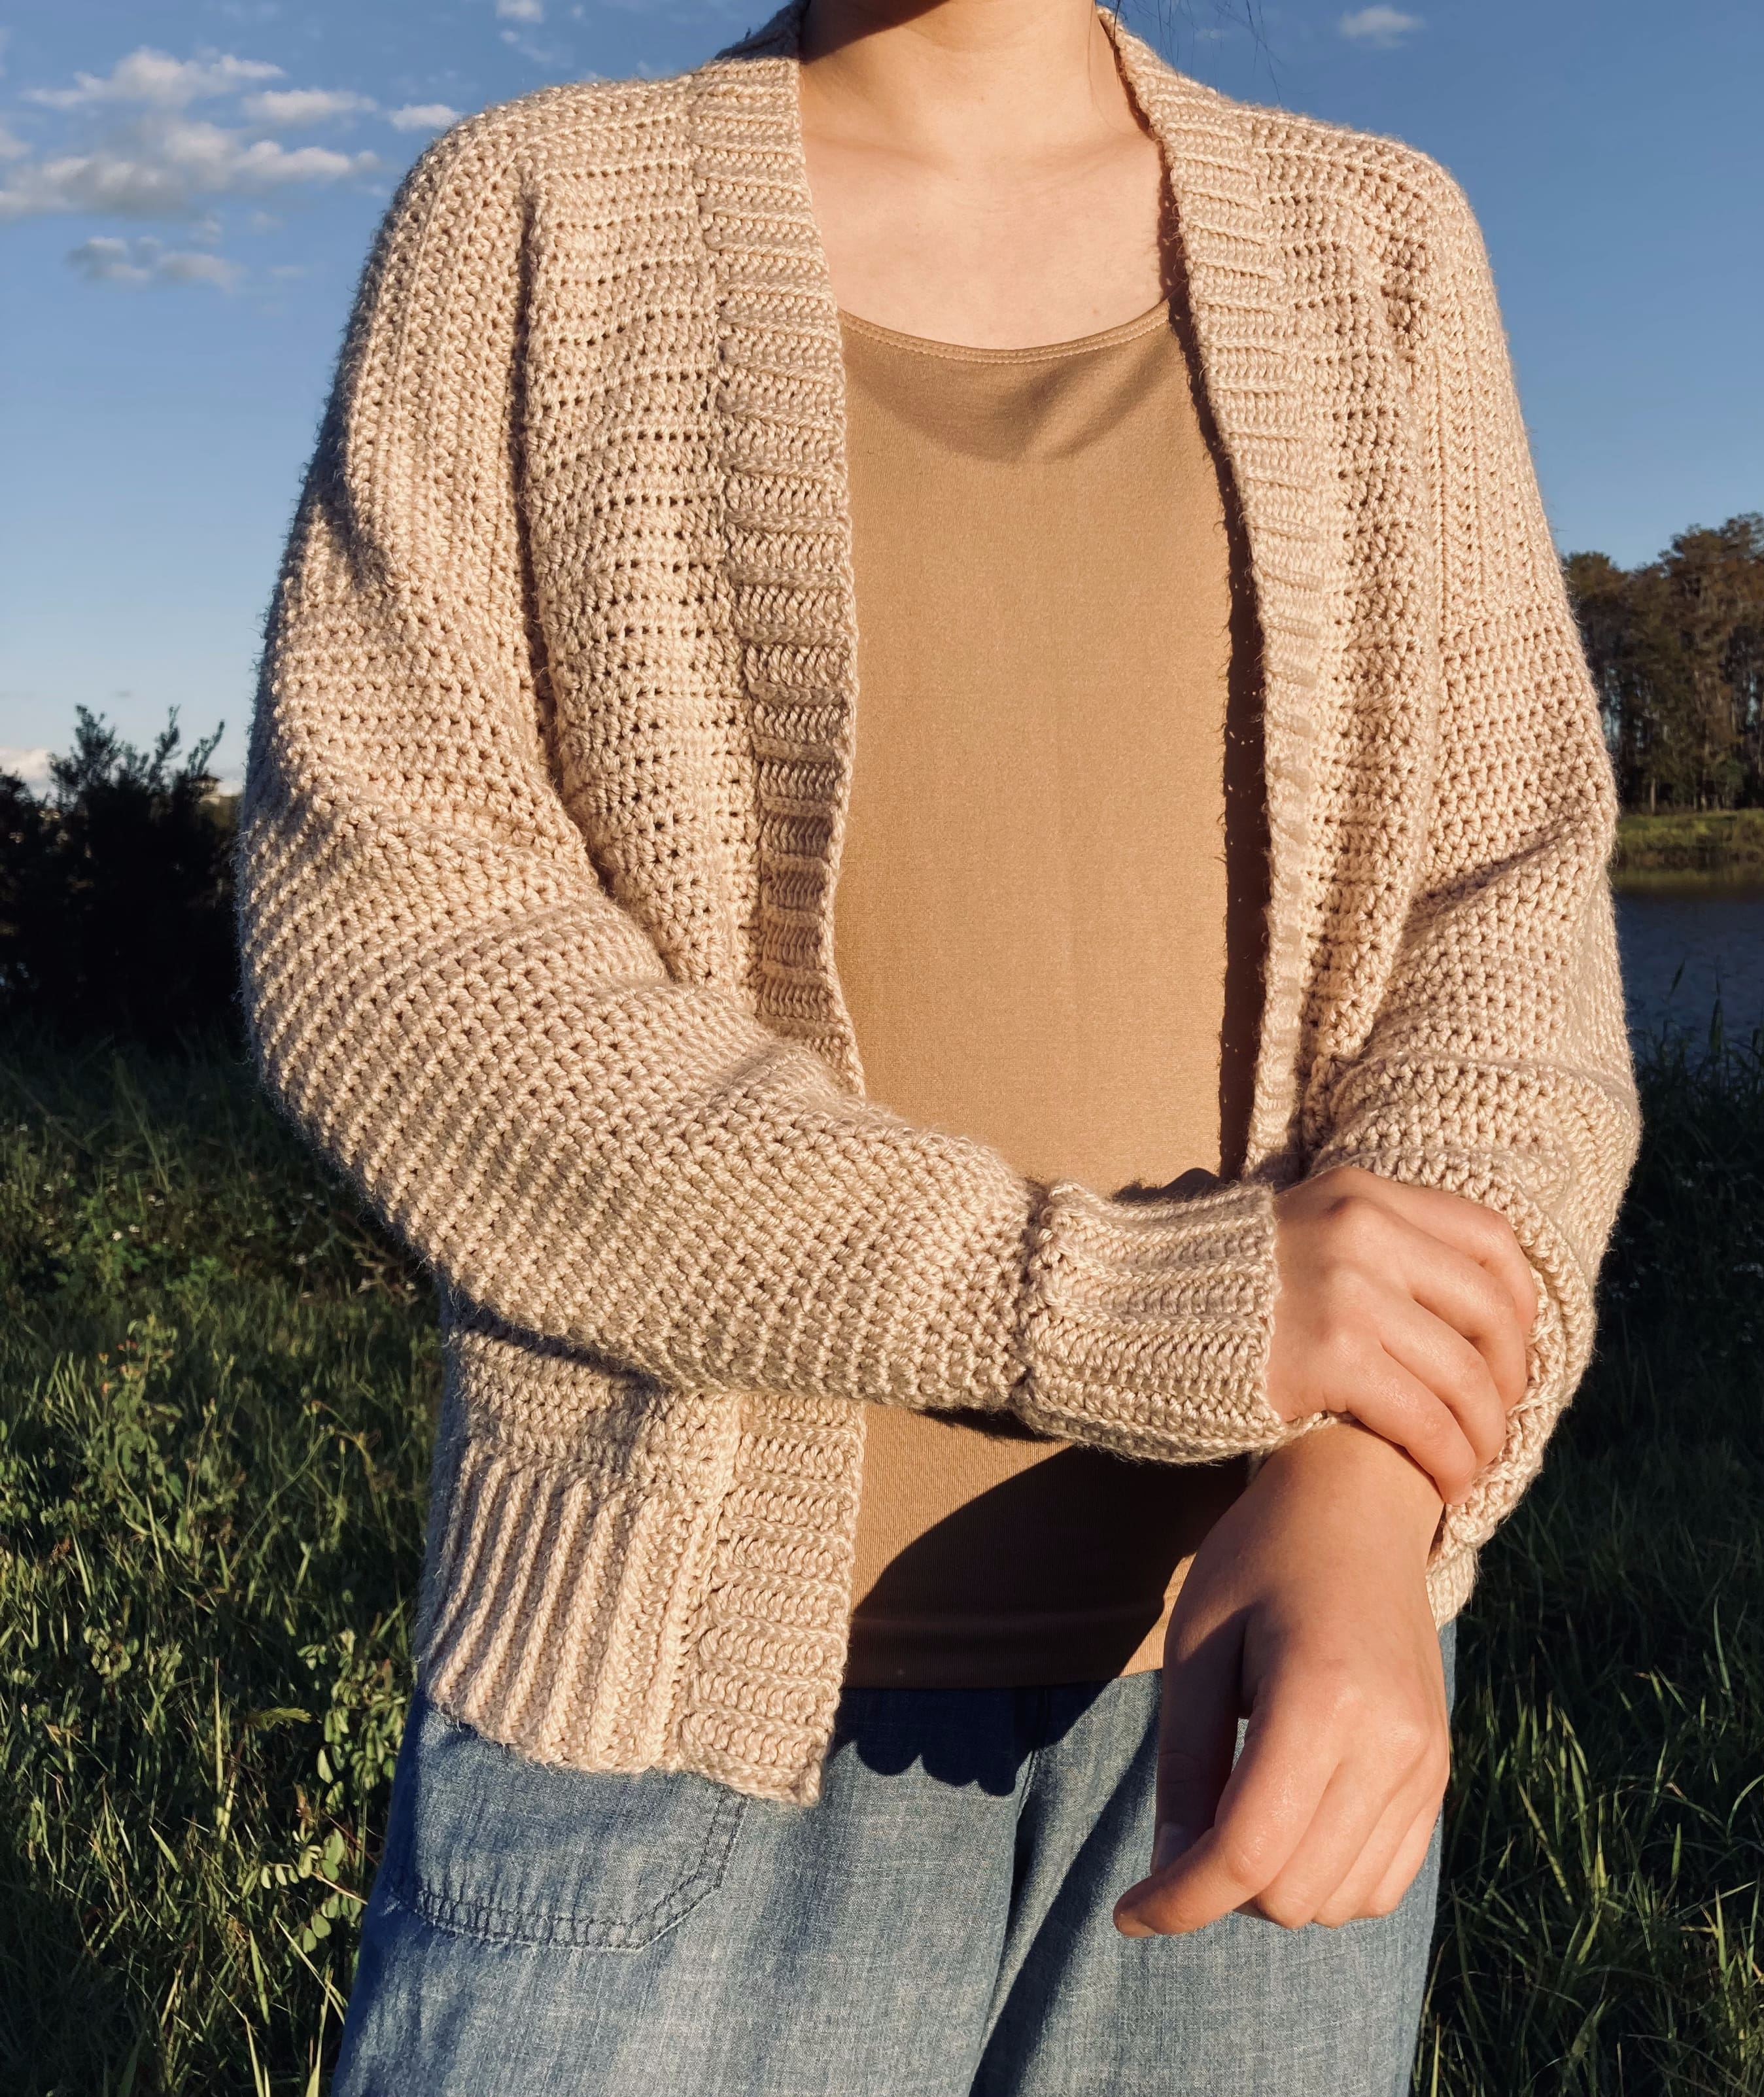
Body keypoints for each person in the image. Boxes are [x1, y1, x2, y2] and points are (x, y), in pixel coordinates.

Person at [237, 0, 1638, 2088]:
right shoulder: (537, 213)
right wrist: (1119, 1305)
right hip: (658, 1721)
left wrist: (1378, 1474)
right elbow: (400, 946)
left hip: (1262, 1700)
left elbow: (1503, 915)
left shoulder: (1378, 243)